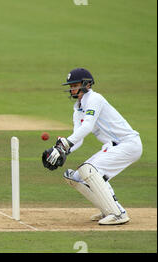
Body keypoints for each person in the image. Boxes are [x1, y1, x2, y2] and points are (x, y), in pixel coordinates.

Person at [42, 68, 142, 225]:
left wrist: (66, 143)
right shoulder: (78, 108)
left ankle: (118, 214)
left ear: (86, 84)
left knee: (89, 170)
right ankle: (107, 209)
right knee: (75, 177)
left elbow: (87, 127)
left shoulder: (95, 99)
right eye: (70, 86)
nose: (72, 89)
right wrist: (61, 149)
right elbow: (79, 139)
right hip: (113, 146)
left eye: (75, 85)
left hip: (128, 144)